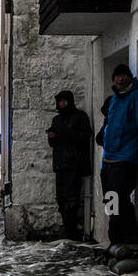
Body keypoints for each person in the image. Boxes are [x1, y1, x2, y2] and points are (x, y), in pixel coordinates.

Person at [95, 63, 138, 247]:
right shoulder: (114, 99)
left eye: (123, 75)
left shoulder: (135, 97)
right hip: (109, 157)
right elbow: (110, 123)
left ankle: (129, 239)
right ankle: (115, 238)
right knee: (110, 199)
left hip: (125, 157)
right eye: (117, 76)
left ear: (129, 77)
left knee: (120, 198)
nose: (119, 79)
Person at [46, 89, 93, 240]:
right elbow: (53, 142)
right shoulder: (57, 119)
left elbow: (85, 136)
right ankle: (67, 228)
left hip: (74, 164)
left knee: (72, 199)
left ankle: (72, 230)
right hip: (60, 164)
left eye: (65, 101)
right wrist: (53, 136)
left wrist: (64, 134)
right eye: (60, 102)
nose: (62, 104)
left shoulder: (80, 117)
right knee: (61, 199)